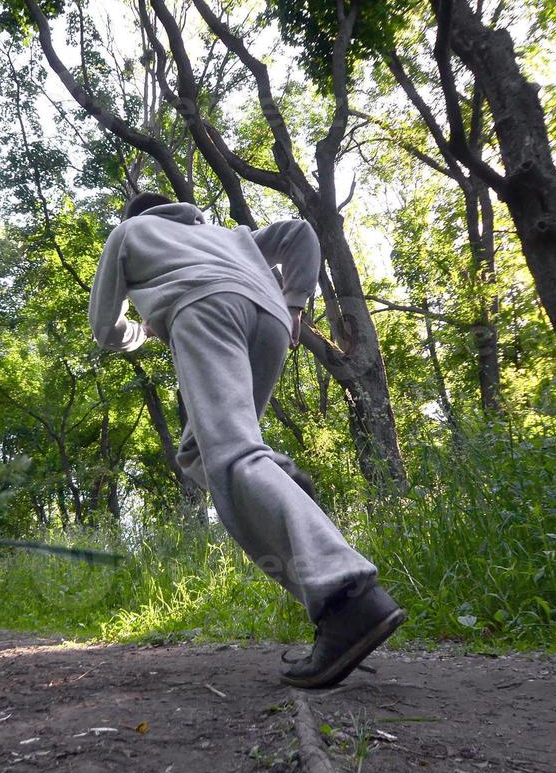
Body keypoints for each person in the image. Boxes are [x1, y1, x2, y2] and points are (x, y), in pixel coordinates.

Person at [88, 191, 405, 688]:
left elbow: (104, 327)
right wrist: (295, 303)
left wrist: (143, 332)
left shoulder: (130, 233)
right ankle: (276, 480)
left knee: (232, 455)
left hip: (204, 308)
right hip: (271, 319)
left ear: (135, 216)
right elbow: (301, 232)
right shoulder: (230, 236)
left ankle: (347, 601)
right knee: (201, 451)